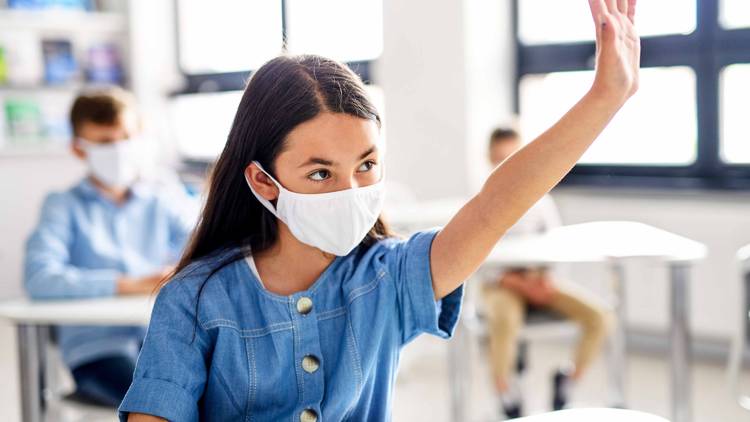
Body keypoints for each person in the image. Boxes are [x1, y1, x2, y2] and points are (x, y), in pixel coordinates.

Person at [121, 1, 640, 420]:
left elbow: (493, 207)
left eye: (366, 165)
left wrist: (604, 98)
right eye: (321, 173)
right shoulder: (194, 298)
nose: (351, 191)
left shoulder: (389, 277)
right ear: (263, 181)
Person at [24, 87, 197, 407]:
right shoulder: (63, 206)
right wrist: (129, 285)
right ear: (79, 149)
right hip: (98, 352)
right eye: (105, 143)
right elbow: (39, 278)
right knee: (164, 404)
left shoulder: (162, 197)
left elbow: (204, 249)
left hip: (164, 343)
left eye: (125, 137)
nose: (118, 149)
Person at [482, 127, 613, 418]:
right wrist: (515, 282)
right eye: (501, 157)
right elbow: (477, 261)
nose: (509, 164)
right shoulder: (480, 201)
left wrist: (544, 282)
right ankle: (506, 392)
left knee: (599, 318)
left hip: (539, 280)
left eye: (514, 156)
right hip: (501, 284)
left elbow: (555, 244)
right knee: (506, 319)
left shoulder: (541, 199)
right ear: (490, 158)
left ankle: (568, 382)